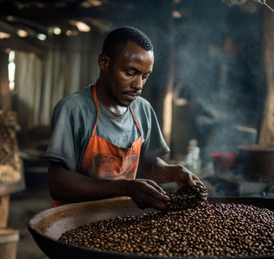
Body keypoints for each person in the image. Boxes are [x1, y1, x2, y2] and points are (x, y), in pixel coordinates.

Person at [45, 26, 205, 210]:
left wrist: (174, 171)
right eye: (130, 73)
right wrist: (127, 186)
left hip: (120, 218)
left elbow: (150, 164)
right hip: (74, 220)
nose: (138, 85)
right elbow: (58, 183)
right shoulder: (74, 109)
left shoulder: (142, 109)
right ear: (104, 62)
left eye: (145, 76)